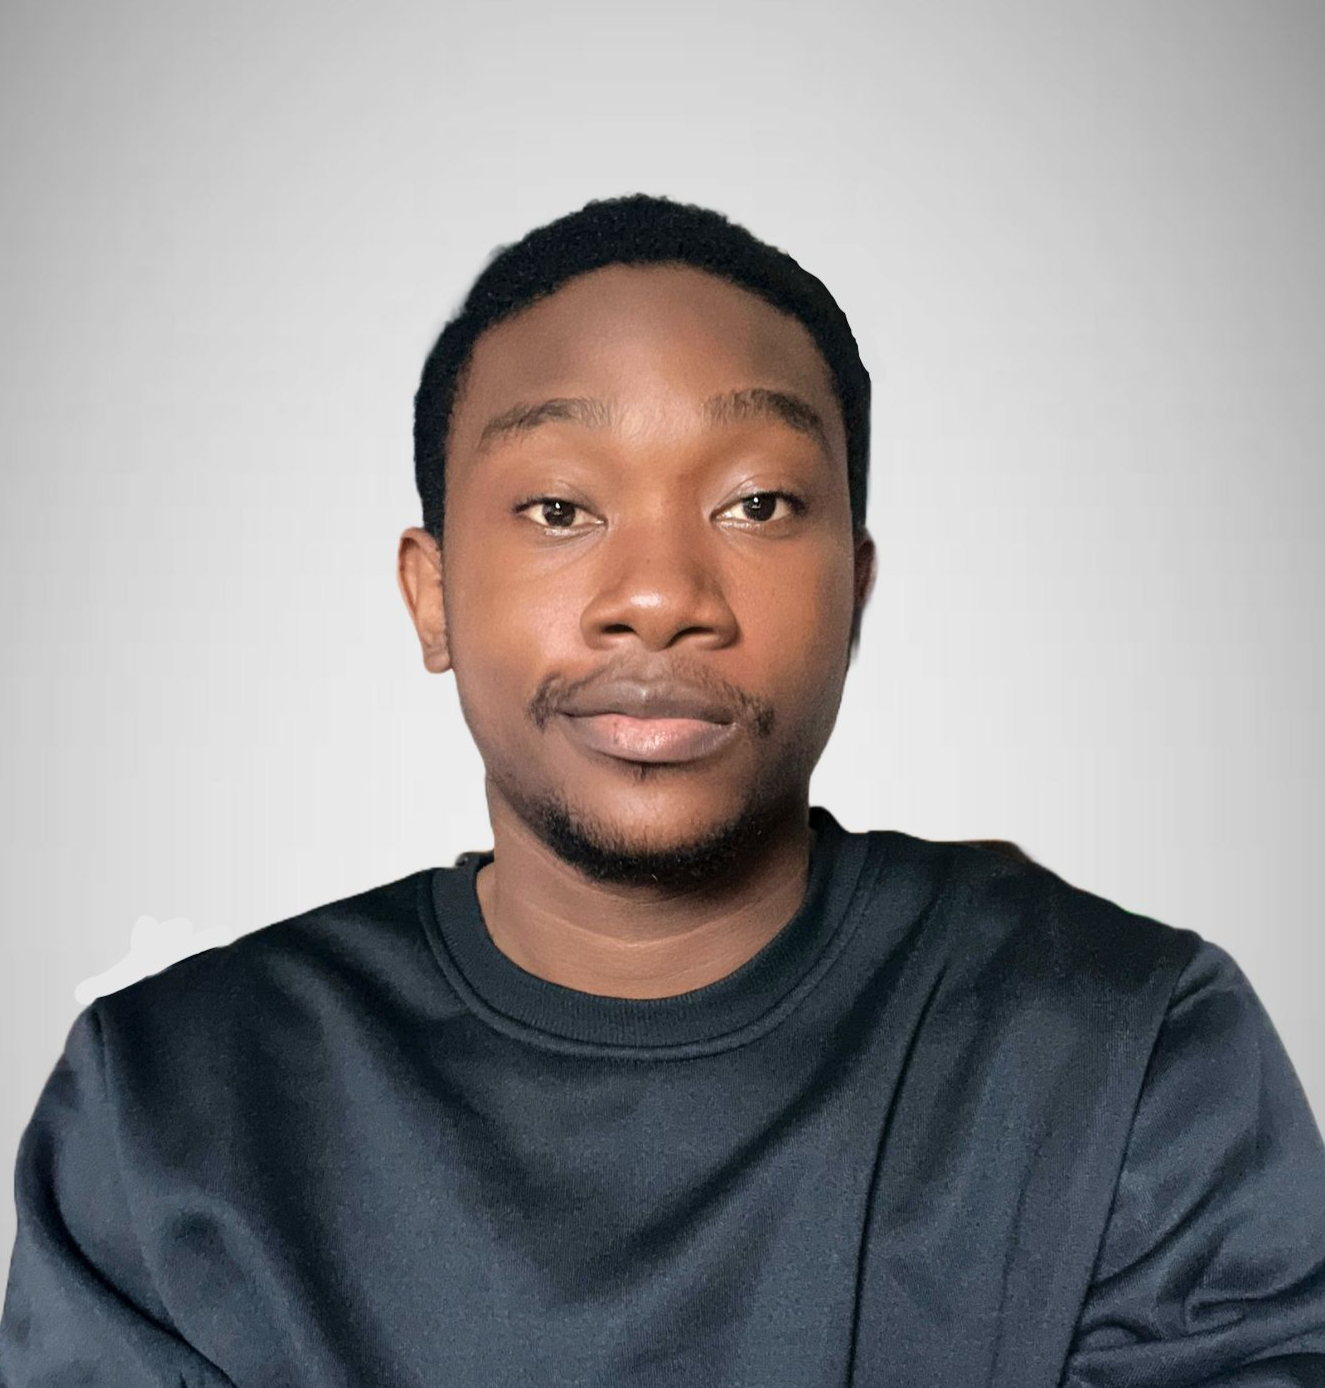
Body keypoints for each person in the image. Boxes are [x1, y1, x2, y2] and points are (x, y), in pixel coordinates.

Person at [2, 194, 1322, 1387]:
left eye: (757, 504)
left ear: (854, 592)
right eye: (559, 510)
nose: (658, 596)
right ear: (432, 593)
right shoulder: (167, 1107)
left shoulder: (1123, 1048)